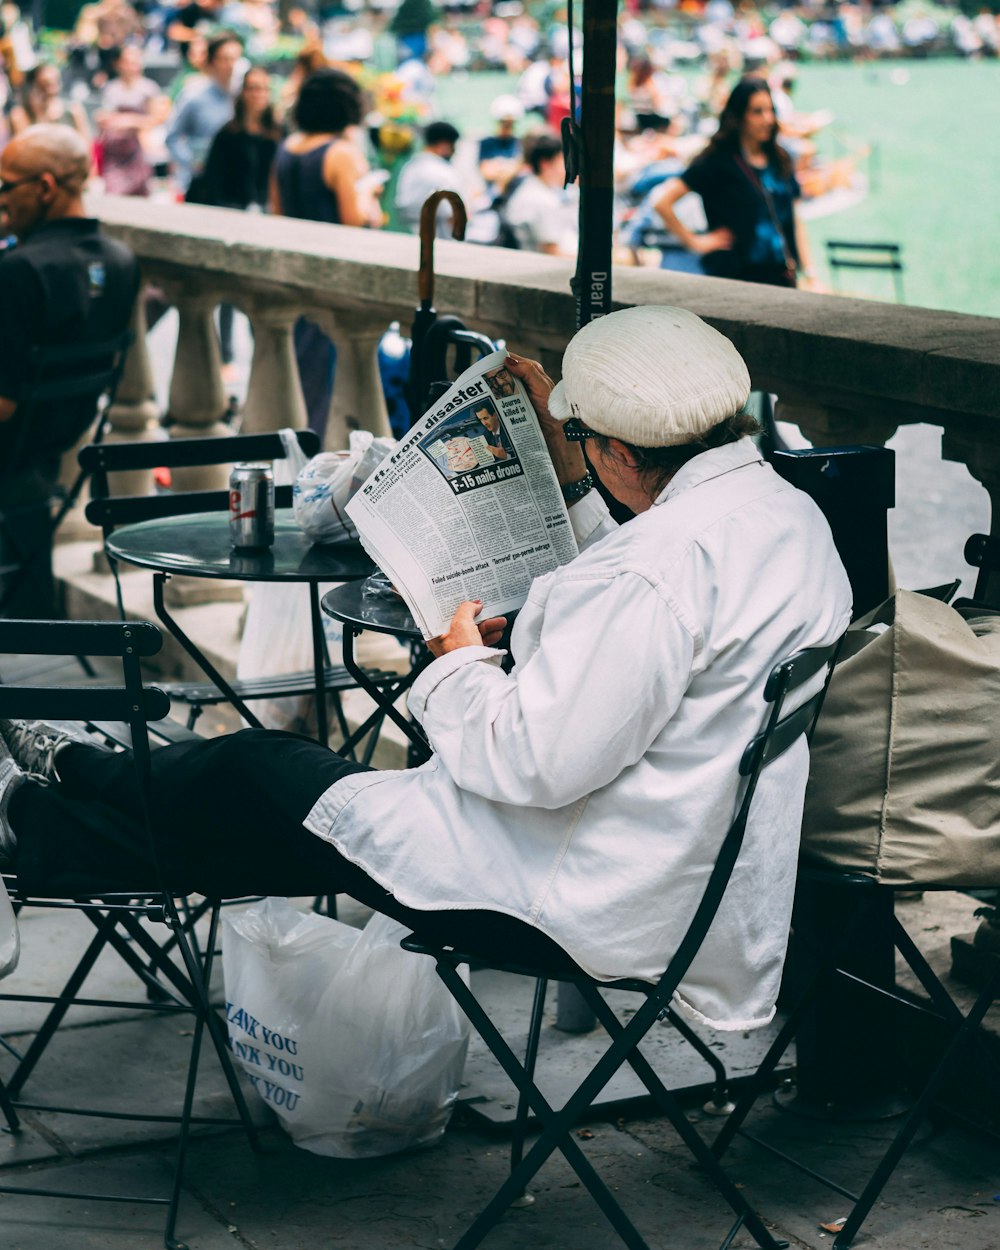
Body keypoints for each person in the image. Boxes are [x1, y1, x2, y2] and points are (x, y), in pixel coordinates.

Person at [0, 306, 852, 1030]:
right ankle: (42, 810)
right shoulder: (786, 514)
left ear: (622, 453)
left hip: (580, 894)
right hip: (690, 882)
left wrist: (457, 663)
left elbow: (532, 764)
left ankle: (61, 784)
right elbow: (651, 598)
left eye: (584, 442)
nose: (581, 455)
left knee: (256, 769)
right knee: (257, 819)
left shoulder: (649, 574)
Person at [0, 125, 139, 615]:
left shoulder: (19, 270)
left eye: (6, 187)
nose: (2, 199)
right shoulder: (120, 260)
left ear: (44, 188)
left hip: (11, 455)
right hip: (54, 446)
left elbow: (4, 401)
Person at [270, 68, 381, 439]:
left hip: (296, 276)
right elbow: (355, 221)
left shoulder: (285, 149)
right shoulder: (342, 154)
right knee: (336, 381)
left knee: (300, 377)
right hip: (336, 281)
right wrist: (371, 200)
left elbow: (277, 213)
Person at [653, 76, 817, 288]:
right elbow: (662, 203)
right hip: (736, 280)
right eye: (757, 112)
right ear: (739, 116)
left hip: (780, 277)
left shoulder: (780, 159)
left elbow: (795, 220)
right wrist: (695, 242)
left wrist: (810, 272)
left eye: (770, 110)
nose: (767, 119)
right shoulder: (717, 161)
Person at [191, 66, 280, 375]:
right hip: (233, 220)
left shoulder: (276, 134)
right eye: (252, 88)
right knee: (230, 291)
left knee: (263, 293)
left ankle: (264, 354)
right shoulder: (228, 134)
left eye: (263, 89)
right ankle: (226, 355)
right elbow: (213, 182)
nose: (258, 95)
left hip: (267, 223)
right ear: (243, 93)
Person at [165, 31, 242, 196]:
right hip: (199, 185)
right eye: (225, 59)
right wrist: (192, 163)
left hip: (233, 184)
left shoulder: (242, 96)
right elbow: (172, 137)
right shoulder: (194, 95)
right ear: (213, 61)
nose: (231, 65)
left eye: (235, 59)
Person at [95, 44, 170, 197]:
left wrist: (129, 120)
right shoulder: (110, 88)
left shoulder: (149, 88)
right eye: (128, 61)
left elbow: (157, 118)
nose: (133, 65)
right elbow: (105, 118)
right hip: (114, 151)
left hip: (137, 150)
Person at [502, 131, 577, 257]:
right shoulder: (539, 200)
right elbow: (554, 253)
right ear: (545, 164)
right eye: (563, 162)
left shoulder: (536, 188)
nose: (568, 168)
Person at [394, 120, 462, 238]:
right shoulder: (442, 171)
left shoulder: (410, 167)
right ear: (444, 145)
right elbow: (453, 217)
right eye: (452, 147)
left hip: (409, 237)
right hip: (439, 241)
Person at [9, 63, 91, 139]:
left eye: (55, 82)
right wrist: (39, 115)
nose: (51, 91)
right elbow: (24, 149)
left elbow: (86, 145)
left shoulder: (73, 110)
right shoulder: (20, 114)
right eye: (44, 85)